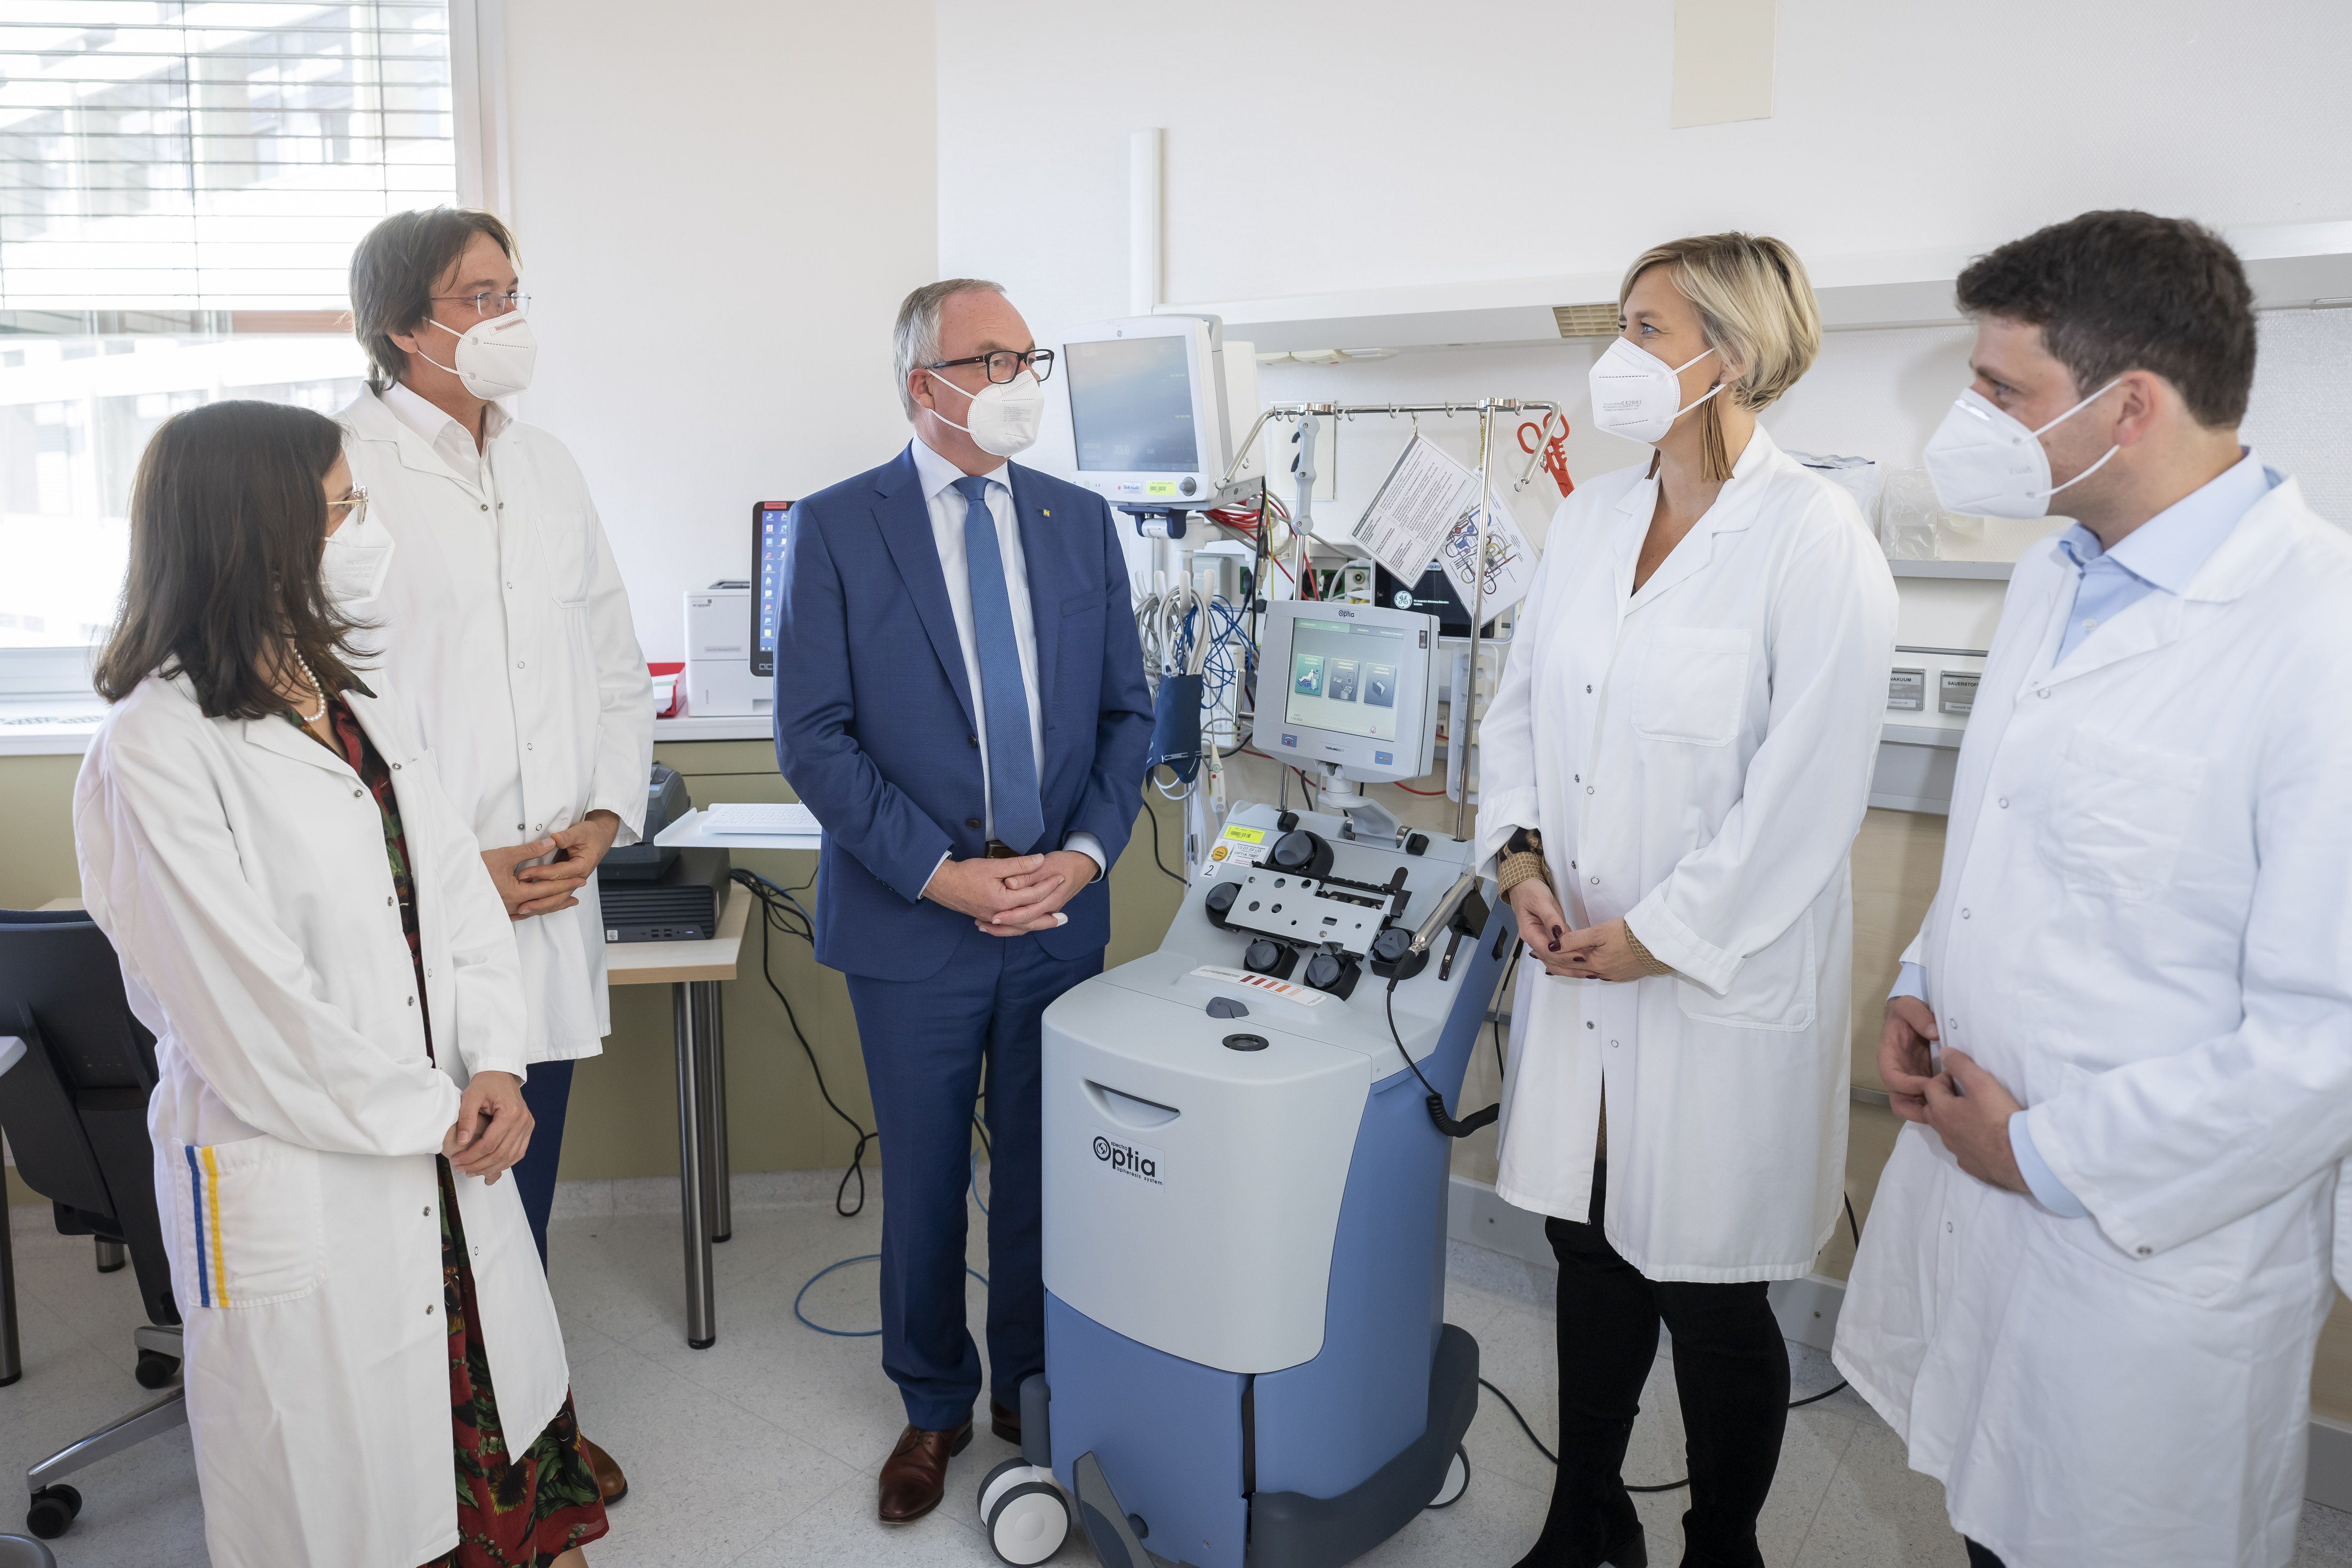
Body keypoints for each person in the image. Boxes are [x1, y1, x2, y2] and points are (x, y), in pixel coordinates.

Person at [1832, 212, 2352, 1568]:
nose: (1975, 419)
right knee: (1993, 1524)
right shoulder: (2056, 580)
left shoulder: (2320, 633)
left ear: (2132, 405)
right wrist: (1920, 981)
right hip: (1984, 1182)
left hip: (2147, 1261)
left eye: (2005, 391)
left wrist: (2049, 1153)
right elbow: (2006, 846)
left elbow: (2326, 1038)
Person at [74, 400, 605, 1568]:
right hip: (312, 1160)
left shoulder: (349, 692)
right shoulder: (155, 745)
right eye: (337, 513)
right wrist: (441, 1109)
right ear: (249, 538)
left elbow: (457, 898)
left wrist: (503, 1066)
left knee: (503, 1462)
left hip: (447, 1138)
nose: (362, 533)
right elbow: (245, 1013)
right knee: (348, 1506)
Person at [1476, 233, 1898, 1568]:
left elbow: (1807, 786)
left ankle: (1724, 1541)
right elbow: (1523, 708)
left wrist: (1663, 934)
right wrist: (1521, 861)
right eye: (1622, 322)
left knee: (1709, 1288)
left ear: (1737, 350)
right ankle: (1584, 1508)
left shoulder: (1814, 537)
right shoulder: (1593, 518)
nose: (1619, 353)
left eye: (1648, 328)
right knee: (1588, 1247)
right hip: (1577, 961)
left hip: (1715, 982)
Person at [772, 278, 1153, 1523]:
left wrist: (1087, 854)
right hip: (915, 918)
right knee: (928, 1178)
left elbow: (1124, 714)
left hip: (1055, 909)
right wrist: (942, 872)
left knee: (1051, 1173)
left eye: (1025, 355)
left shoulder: (1079, 520)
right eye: (988, 359)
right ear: (920, 384)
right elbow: (816, 740)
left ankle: (1031, 1393)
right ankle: (933, 1401)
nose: (1017, 379)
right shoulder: (838, 526)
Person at [339, 208, 653, 1503]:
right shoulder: (339, 472)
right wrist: (457, 862)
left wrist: (600, 821)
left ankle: (527, 1430)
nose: (509, 314)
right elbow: (329, 708)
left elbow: (614, 665)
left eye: (515, 287)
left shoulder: (552, 466)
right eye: (479, 294)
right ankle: (434, 1455)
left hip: (552, 892)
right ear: (404, 323)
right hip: (416, 904)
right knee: (426, 1199)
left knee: (519, 1186)